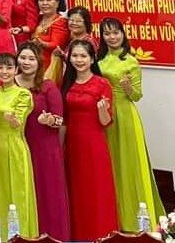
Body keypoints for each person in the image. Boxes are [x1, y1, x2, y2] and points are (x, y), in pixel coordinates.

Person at [97, 18, 164, 230]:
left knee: (129, 164)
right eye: (107, 33)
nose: (112, 37)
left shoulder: (131, 61)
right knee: (110, 164)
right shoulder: (98, 60)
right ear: (102, 36)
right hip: (104, 113)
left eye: (116, 32)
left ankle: (135, 219)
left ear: (123, 34)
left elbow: (137, 96)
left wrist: (127, 88)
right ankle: (113, 217)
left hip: (125, 115)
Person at [61, 39, 119, 241]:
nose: (79, 60)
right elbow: (64, 120)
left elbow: (106, 122)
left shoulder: (102, 84)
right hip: (72, 145)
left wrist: (102, 110)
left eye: (83, 56)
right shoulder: (66, 83)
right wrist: (59, 148)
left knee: (96, 191)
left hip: (94, 145)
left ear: (92, 59)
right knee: (76, 192)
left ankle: (101, 235)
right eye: (75, 56)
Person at [15, 42, 70, 241]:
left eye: (31, 59)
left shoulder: (48, 87)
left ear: (39, 62)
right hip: (19, 147)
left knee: (48, 193)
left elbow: (60, 119)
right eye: (23, 58)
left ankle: (53, 237)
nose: (26, 62)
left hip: (45, 148)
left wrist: (50, 121)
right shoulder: (10, 84)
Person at [0, 53, 39, 240]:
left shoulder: (23, 94)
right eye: (0, 67)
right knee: (1, 191)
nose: (4, 71)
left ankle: (22, 236)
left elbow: (19, 121)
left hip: (15, 145)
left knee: (19, 193)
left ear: (16, 70)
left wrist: (13, 120)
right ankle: (2, 237)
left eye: (9, 67)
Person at [32, 0, 69, 80]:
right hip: (34, 64)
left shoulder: (61, 21)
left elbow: (57, 45)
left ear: (57, 3)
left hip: (51, 66)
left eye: (48, 0)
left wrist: (42, 43)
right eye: (41, 0)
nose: (45, 3)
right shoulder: (37, 19)